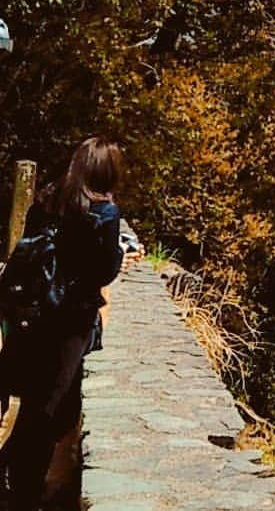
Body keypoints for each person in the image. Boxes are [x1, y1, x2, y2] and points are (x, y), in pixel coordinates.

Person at [0, 137, 127, 509]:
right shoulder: (104, 213)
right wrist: (119, 253)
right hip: (68, 323)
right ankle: (23, 493)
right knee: (49, 413)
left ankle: (20, 482)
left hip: (33, 315)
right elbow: (102, 271)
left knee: (32, 405)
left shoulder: (51, 197)